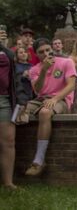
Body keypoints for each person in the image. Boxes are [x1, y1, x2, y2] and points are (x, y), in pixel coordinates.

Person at [23, 38, 77, 176]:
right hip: (40, 98)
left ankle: (39, 160)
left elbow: (71, 85)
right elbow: (38, 90)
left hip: (62, 98)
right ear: (36, 54)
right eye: (41, 52)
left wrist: (55, 98)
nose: (46, 53)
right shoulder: (34, 70)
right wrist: (43, 70)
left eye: (48, 50)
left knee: (45, 112)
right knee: (16, 111)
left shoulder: (66, 62)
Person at [0, 28, 18, 188]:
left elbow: (14, 76)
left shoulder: (7, 53)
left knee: (9, 140)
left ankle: (8, 182)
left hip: (4, 100)